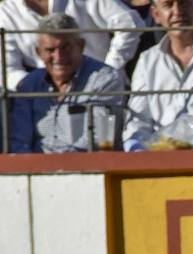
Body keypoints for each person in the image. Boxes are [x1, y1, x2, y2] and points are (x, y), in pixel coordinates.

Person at [8, 14, 127, 153]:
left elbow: (100, 138)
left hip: (88, 167)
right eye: (50, 50)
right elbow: (19, 139)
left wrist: (61, 166)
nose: (58, 57)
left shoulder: (105, 79)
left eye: (65, 48)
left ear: (81, 46)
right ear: (38, 52)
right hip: (35, 169)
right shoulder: (29, 84)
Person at [123, 0, 193, 150]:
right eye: (168, 5)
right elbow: (138, 124)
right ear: (156, 15)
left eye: (184, 3)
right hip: (161, 158)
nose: (178, 11)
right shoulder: (147, 61)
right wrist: (139, 155)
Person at [1, 0, 140, 90]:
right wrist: (40, 88)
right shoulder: (5, 12)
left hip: (105, 92)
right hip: (45, 104)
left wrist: (109, 70)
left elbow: (130, 23)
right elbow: (6, 71)